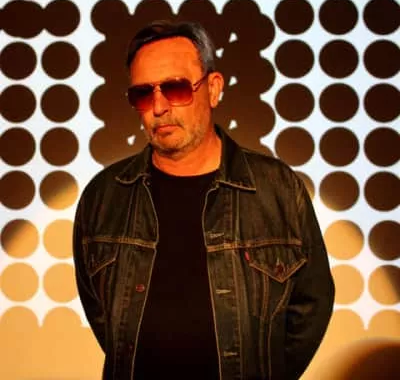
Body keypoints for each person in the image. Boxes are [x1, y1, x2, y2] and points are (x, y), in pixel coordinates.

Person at [73, 20, 335, 380]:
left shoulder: (277, 190)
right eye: (143, 94)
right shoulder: (103, 198)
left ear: (213, 89)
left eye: (175, 88)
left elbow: (311, 306)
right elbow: (103, 317)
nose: (159, 107)